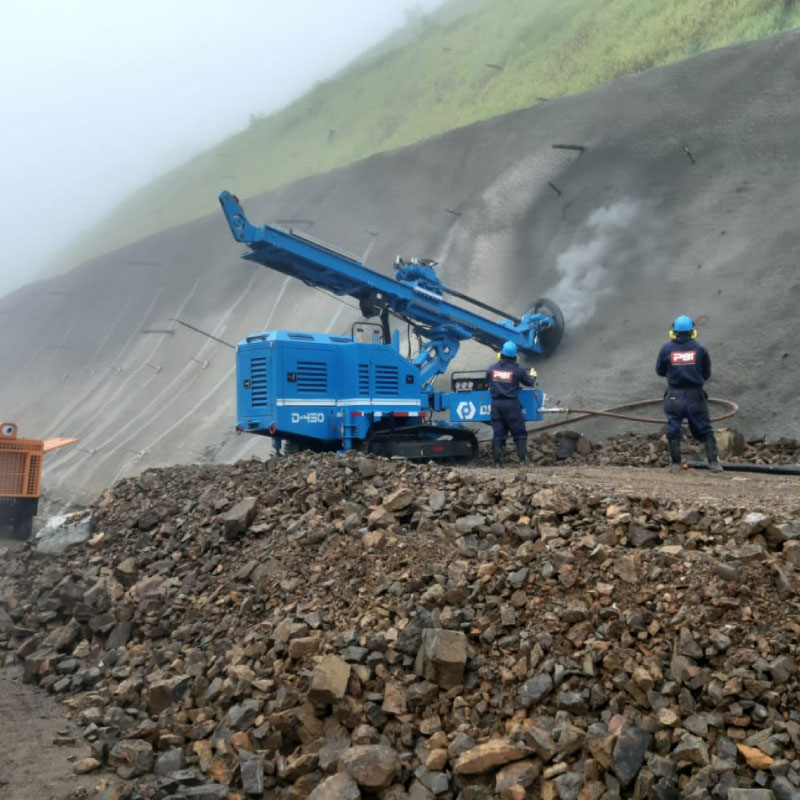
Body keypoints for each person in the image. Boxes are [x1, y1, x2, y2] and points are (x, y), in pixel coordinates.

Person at [656, 315, 723, 472]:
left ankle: (676, 464)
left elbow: (660, 371)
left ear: (673, 332)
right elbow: (706, 373)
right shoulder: (700, 349)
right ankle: (713, 463)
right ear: (692, 332)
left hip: (674, 396)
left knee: (673, 428)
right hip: (695, 396)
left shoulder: (666, 349)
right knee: (705, 428)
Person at [486, 341, 536, 467]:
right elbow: (529, 382)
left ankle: (497, 463)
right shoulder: (517, 370)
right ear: (515, 356)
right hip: (511, 405)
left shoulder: (491, 369)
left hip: (496, 405)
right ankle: (522, 461)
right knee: (519, 433)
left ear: (500, 354)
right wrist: (533, 376)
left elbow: (488, 382)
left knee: (498, 434)